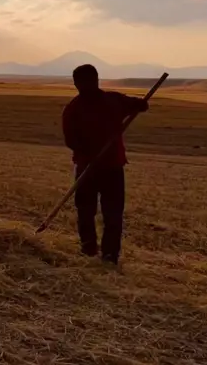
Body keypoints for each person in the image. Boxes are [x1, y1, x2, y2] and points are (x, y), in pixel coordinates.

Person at [61, 64, 149, 265]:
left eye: (86, 81)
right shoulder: (74, 109)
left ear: (95, 80)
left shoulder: (113, 101)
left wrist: (141, 104)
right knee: (87, 211)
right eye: (81, 82)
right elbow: (71, 141)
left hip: (110, 167)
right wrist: (89, 153)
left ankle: (108, 255)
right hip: (88, 168)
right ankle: (90, 248)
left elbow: (140, 105)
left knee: (112, 214)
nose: (83, 86)